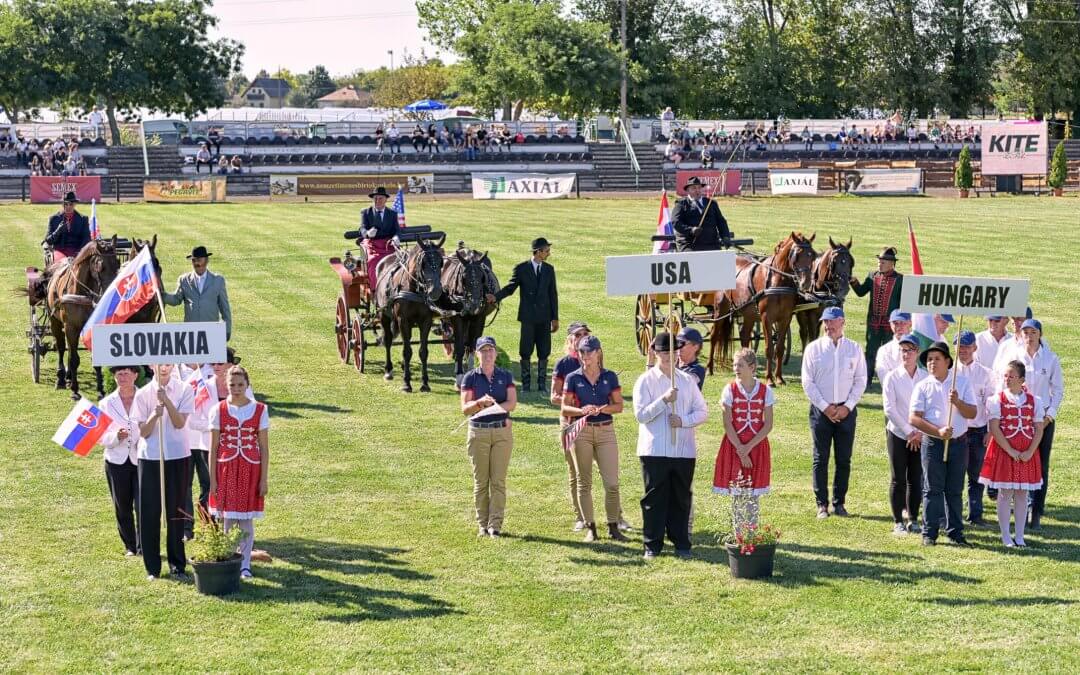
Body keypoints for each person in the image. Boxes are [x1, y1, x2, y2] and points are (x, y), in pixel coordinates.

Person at [634, 332, 708, 559]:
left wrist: (683, 421)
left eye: (673, 353)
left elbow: (702, 411)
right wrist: (664, 400)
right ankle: (652, 545)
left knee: (681, 497)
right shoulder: (645, 381)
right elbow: (641, 415)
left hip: (683, 450)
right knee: (655, 498)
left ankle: (681, 543)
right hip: (655, 448)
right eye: (664, 353)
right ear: (656, 353)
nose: (668, 357)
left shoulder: (686, 381)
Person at [990, 319, 1063, 530]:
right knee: (1015, 459)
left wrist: (1049, 415)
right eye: (1025, 332)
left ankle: (1035, 510)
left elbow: (1057, 389)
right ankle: (1015, 505)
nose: (1029, 336)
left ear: (1040, 334)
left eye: (1033, 332)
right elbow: (1002, 381)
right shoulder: (1014, 356)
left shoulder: (1050, 358)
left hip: (1042, 420)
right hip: (1016, 418)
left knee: (1041, 464)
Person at [908, 341, 977, 546]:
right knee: (932, 489)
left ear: (948, 362)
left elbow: (972, 413)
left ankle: (955, 532)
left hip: (958, 443)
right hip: (933, 444)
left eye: (937, 359)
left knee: (955, 489)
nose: (932, 363)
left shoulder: (961, 383)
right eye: (929, 359)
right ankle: (929, 534)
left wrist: (958, 402)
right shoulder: (922, 386)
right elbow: (914, 418)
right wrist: (937, 431)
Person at [801, 306, 867, 518]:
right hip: (821, 412)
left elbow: (860, 380)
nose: (828, 326)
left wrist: (847, 406)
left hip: (846, 411)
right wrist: (825, 406)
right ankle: (822, 504)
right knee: (820, 458)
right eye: (825, 322)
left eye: (832, 321)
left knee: (843, 459)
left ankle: (839, 503)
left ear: (842, 322)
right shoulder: (813, 349)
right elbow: (807, 382)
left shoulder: (854, 349)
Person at [561, 336, 627, 543]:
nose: (585, 356)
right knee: (584, 482)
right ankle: (591, 527)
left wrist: (602, 409)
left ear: (598, 352)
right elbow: (564, 407)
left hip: (605, 430)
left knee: (612, 483)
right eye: (582, 352)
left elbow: (619, 406)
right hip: (581, 431)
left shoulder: (610, 376)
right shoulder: (573, 378)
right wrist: (582, 410)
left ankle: (613, 526)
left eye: (589, 352)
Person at [134, 363, 194, 580]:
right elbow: (144, 432)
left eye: (169, 364)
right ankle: (152, 567)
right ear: (152, 365)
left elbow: (179, 424)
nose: (164, 368)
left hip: (177, 455)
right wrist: (154, 415)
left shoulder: (185, 389)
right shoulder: (142, 394)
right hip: (150, 456)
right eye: (160, 364)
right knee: (149, 511)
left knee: (176, 511)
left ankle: (177, 564)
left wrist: (167, 402)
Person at [209, 365, 269, 579]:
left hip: (250, 467)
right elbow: (213, 447)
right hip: (226, 467)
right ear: (226, 386)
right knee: (228, 518)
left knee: (245, 519)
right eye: (232, 384)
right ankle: (228, 560)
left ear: (247, 385)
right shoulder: (218, 409)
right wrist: (212, 480)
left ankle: (245, 564)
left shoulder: (260, 409)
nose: (236, 388)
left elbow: (264, 447)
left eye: (240, 384)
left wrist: (264, 479)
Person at [978, 360, 1045, 548]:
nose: (1007, 379)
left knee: (1022, 493)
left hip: (1027, 453)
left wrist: (1030, 451)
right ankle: (1006, 535)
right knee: (1005, 493)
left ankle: (1020, 535)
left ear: (1022, 379)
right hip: (1005, 450)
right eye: (1005, 375)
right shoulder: (996, 400)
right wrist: (1011, 451)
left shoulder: (1034, 401)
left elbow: (1038, 428)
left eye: (1011, 376)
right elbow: (994, 428)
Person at [460, 337, 517, 537]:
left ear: (495, 353)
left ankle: (495, 525)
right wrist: (478, 403)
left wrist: (494, 406)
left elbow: (512, 403)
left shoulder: (506, 376)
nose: (487, 354)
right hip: (479, 432)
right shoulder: (470, 378)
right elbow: (465, 409)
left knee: (498, 481)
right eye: (483, 351)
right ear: (477, 354)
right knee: (481, 481)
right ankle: (482, 524)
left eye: (490, 350)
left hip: (501, 432)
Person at [495, 237, 559, 393]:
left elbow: (553, 295)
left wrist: (555, 317)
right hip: (528, 317)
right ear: (538, 252)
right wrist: (495, 297)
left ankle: (542, 385)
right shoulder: (522, 268)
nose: (548, 254)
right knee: (525, 350)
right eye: (546, 251)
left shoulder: (549, 270)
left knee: (544, 350)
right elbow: (510, 288)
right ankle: (525, 385)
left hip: (544, 317)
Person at [712, 347, 773, 507]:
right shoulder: (729, 390)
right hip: (734, 444)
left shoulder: (765, 391)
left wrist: (749, 447)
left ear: (752, 367)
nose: (735, 369)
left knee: (753, 494)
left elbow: (768, 424)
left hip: (757, 445)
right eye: (734, 365)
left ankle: (752, 531)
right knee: (737, 492)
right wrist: (741, 449)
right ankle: (738, 531)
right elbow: (727, 423)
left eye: (740, 365)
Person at [881, 335, 927, 535]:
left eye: (910, 350)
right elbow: (890, 409)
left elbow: (931, 407)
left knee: (915, 478)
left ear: (917, 353)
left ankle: (913, 518)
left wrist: (920, 432)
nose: (906, 354)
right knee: (898, 478)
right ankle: (898, 520)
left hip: (920, 435)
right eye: (903, 350)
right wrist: (909, 432)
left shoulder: (925, 377)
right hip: (898, 433)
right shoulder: (892, 376)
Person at [98, 365, 145, 556]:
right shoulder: (106, 403)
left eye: (126, 373)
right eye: (119, 374)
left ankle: (144, 545)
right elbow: (100, 437)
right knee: (122, 505)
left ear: (135, 375)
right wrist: (116, 437)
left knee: (143, 505)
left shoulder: (145, 399)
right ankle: (130, 546)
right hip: (116, 461)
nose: (122, 377)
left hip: (142, 459)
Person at [551, 322, 590, 532]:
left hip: (595, 423)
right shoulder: (563, 364)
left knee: (604, 471)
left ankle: (616, 515)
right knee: (575, 472)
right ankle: (580, 516)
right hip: (570, 423)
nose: (582, 337)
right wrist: (575, 402)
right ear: (570, 340)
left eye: (585, 334)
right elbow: (554, 397)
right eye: (578, 335)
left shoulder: (596, 360)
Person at [953, 330, 994, 526]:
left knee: (976, 476)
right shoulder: (950, 372)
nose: (963, 350)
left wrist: (990, 430)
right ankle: (953, 513)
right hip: (955, 430)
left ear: (975, 348)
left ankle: (975, 515)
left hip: (977, 430)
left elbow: (990, 404)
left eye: (967, 346)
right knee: (955, 474)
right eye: (960, 346)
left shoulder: (985, 374)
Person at [850, 246, 904, 385]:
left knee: (889, 353)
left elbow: (903, 303)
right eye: (879, 261)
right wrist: (854, 283)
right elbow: (861, 292)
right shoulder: (872, 276)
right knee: (870, 351)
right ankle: (867, 380)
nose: (879, 264)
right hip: (873, 322)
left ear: (892, 263)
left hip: (890, 325)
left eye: (883, 262)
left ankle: (888, 381)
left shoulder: (900, 280)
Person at [162, 246, 233, 342]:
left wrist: (227, 330)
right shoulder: (184, 280)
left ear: (206, 260)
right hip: (190, 333)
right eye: (194, 260)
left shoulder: (218, 281)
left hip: (211, 332)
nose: (196, 263)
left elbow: (225, 309)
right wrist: (161, 295)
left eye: (199, 260)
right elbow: (176, 300)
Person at [671, 176, 732, 252]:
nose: (697, 190)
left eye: (699, 188)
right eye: (694, 188)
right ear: (688, 190)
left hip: (712, 244)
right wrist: (691, 230)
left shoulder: (711, 203)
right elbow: (676, 222)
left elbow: (721, 221)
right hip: (689, 244)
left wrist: (725, 236)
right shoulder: (681, 204)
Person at [357, 186, 400, 288]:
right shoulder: (366, 212)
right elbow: (361, 228)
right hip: (372, 244)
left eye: (380, 198)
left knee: (398, 260)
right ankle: (375, 289)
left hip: (388, 244)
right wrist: (367, 233)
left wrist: (396, 237)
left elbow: (397, 230)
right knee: (372, 261)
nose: (377, 200)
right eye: (375, 198)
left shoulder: (392, 214)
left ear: (385, 199)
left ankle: (394, 286)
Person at [43, 191, 91, 262]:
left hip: (77, 251)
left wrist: (79, 252)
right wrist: (58, 231)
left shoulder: (83, 219)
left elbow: (86, 239)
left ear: (75, 204)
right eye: (66, 204)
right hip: (59, 252)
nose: (68, 207)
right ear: (62, 204)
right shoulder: (54, 219)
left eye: (71, 204)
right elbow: (49, 241)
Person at [874, 310, 912, 385]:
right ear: (890, 325)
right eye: (895, 323)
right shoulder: (884, 351)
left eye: (902, 323)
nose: (899, 327)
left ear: (910, 323)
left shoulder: (920, 347)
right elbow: (884, 379)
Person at [677, 327, 707, 391]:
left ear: (696, 347)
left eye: (682, 343)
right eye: (677, 342)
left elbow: (683, 386)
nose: (678, 346)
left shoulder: (698, 370)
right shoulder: (672, 364)